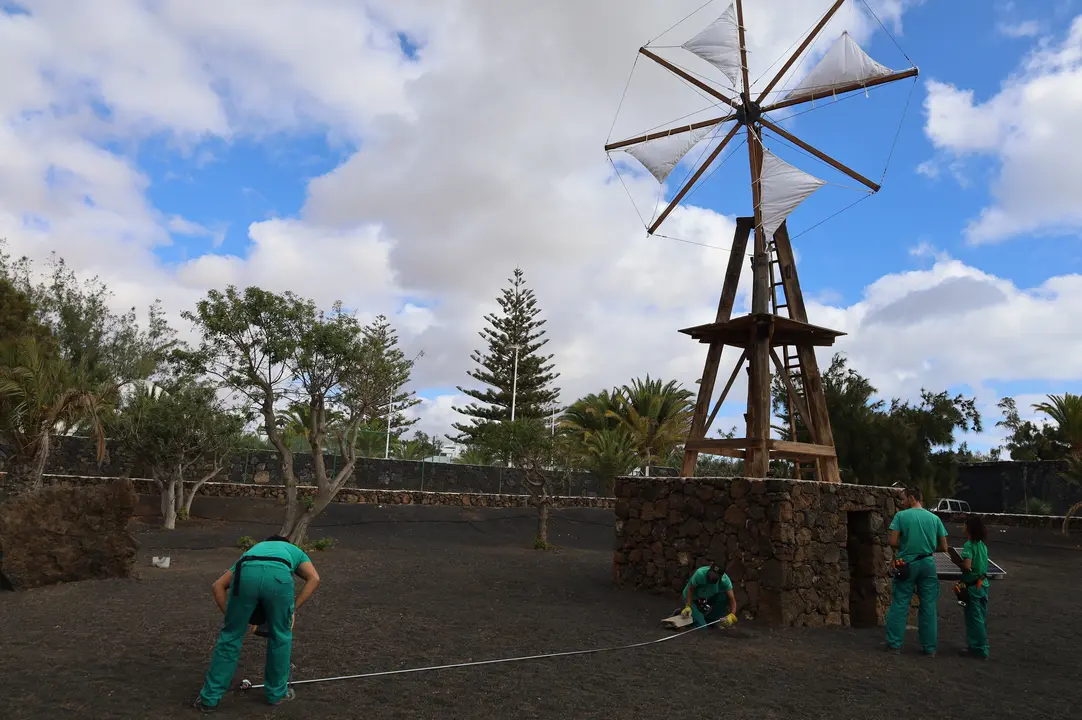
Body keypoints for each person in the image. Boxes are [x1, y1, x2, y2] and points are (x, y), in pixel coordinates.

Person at [194, 535, 321, 712]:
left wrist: (233, 618)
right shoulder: (293, 550)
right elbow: (314, 578)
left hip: (246, 575)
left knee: (230, 637)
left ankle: (209, 699)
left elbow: (217, 586)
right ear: (286, 543)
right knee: (280, 637)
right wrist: (293, 609)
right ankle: (277, 694)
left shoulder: (251, 552)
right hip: (279, 578)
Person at [884, 487, 948, 657]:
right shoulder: (934, 518)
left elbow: (893, 541)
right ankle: (929, 648)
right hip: (928, 563)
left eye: (904, 499)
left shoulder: (901, 516)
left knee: (900, 602)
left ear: (912, 498)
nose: (902, 502)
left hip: (907, 564)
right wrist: (926, 548)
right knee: (928, 606)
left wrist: (907, 546)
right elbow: (944, 547)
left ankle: (894, 644)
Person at [948, 514, 990, 659]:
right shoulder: (982, 546)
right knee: (981, 617)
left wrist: (957, 562)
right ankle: (978, 645)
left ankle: (979, 648)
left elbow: (967, 565)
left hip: (972, 587)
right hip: (983, 584)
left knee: (974, 618)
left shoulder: (969, 545)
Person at [680, 563, 738, 629]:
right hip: (691, 598)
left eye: (714, 577)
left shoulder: (725, 580)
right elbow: (690, 590)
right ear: (709, 570)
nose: (711, 578)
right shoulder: (700, 573)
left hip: (706, 596)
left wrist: (732, 615)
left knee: (723, 597)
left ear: (720, 577)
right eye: (711, 574)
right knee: (703, 627)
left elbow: (732, 599)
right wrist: (688, 606)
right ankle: (690, 617)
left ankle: (710, 619)